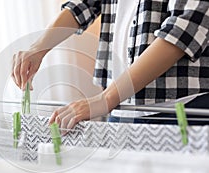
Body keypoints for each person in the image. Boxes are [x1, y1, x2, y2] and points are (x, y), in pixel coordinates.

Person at [11, 0, 209, 132]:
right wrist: (38, 48)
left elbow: (184, 29)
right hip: (122, 110)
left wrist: (105, 99)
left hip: (182, 110)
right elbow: (83, 5)